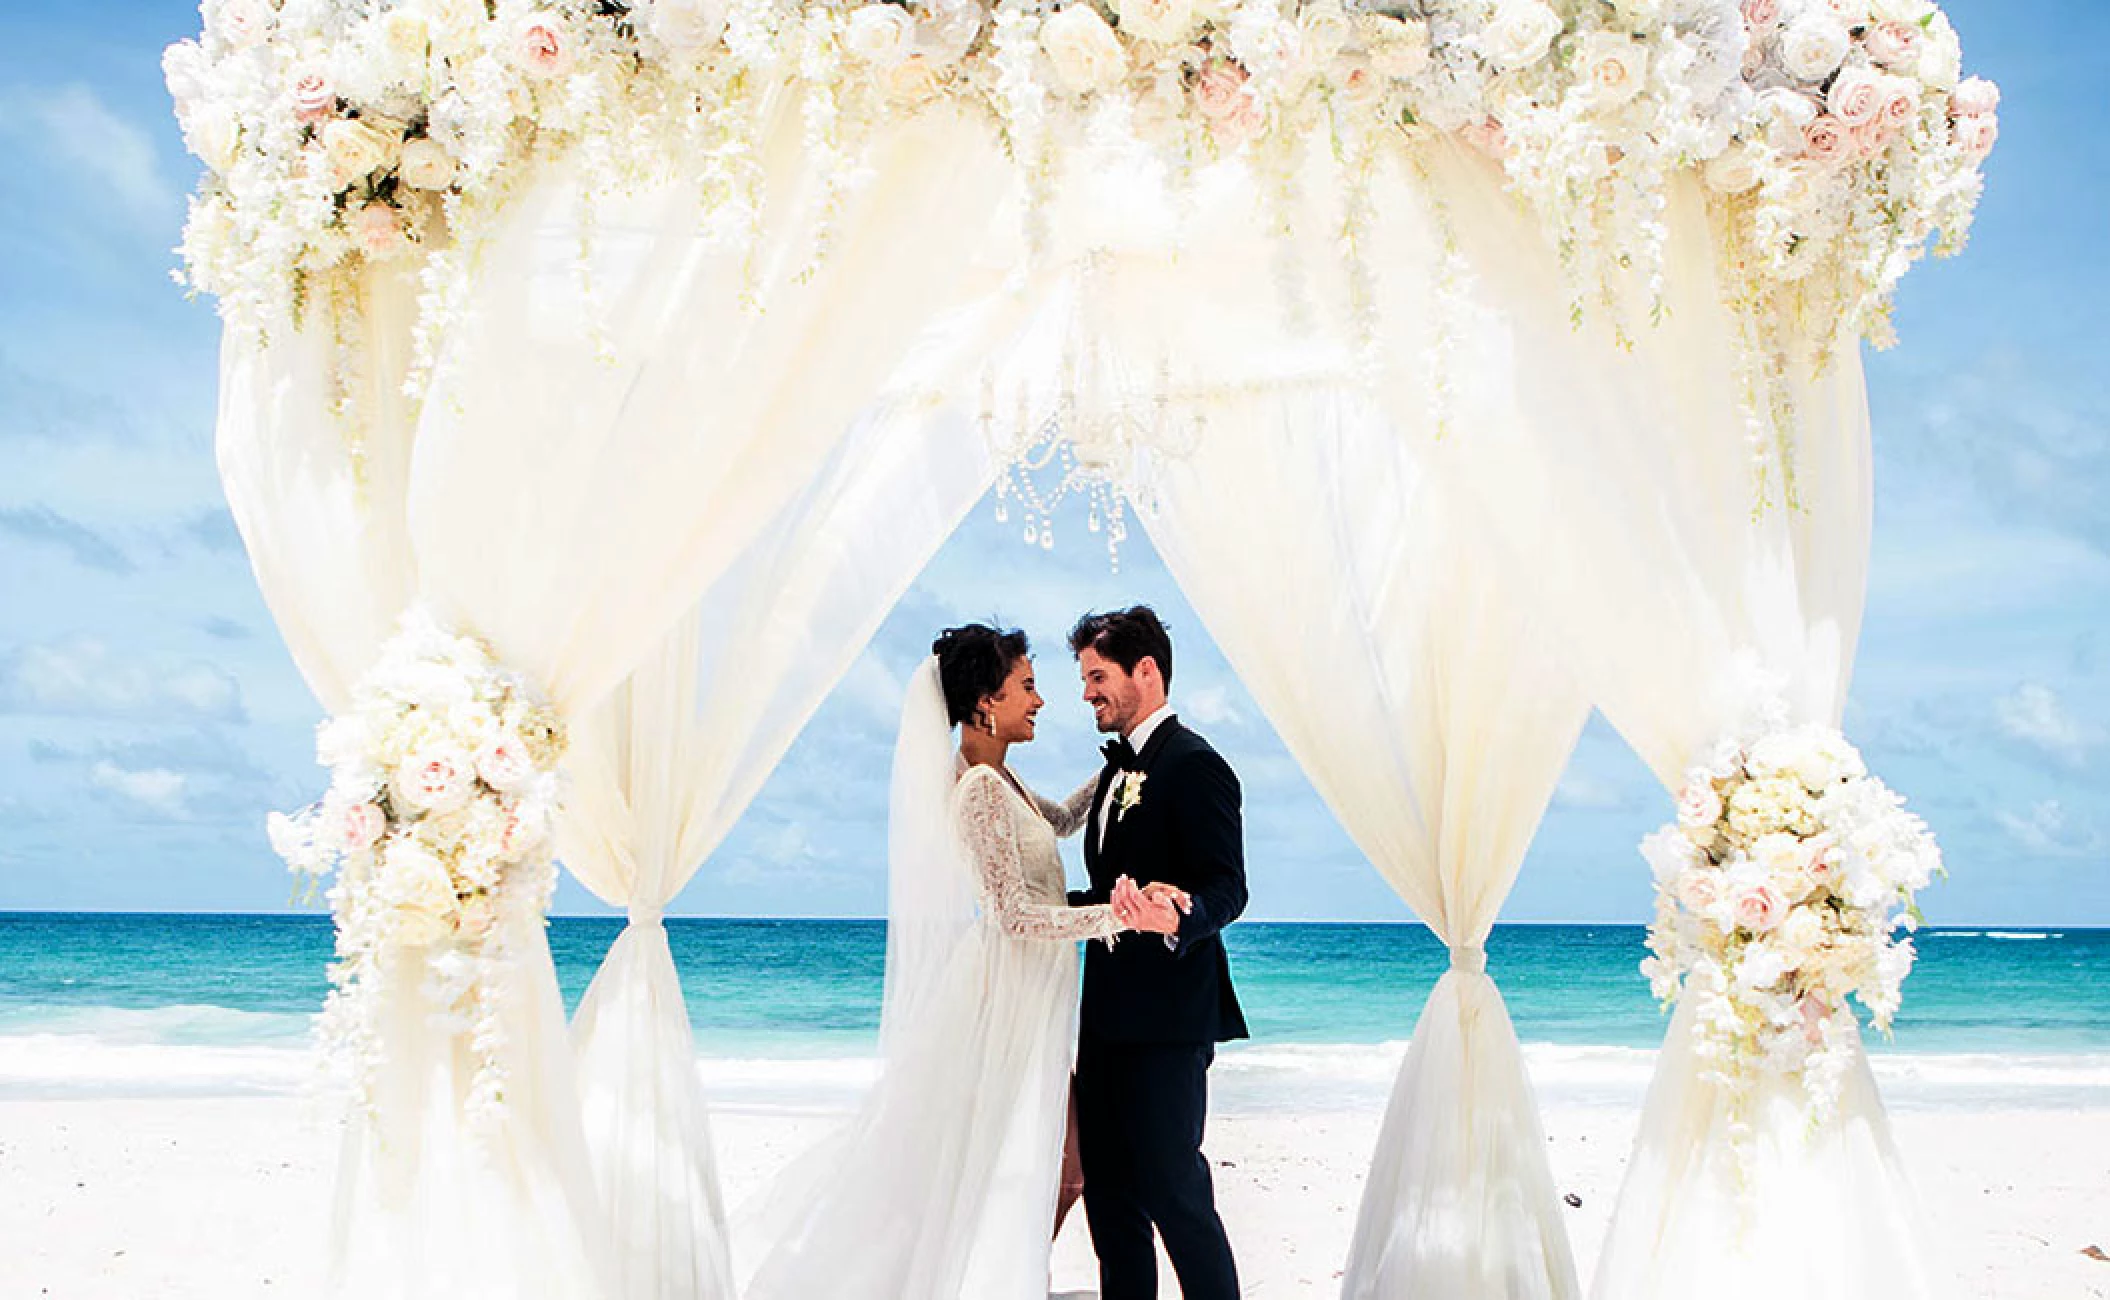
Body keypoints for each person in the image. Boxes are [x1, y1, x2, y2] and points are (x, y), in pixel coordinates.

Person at [743, 623, 1180, 1299]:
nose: (1040, 702)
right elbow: (1012, 915)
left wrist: (1125, 761)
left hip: (1033, 995)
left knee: (1060, 1167)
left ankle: (989, 1276)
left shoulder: (997, 777)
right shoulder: (976, 791)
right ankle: (974, 1278)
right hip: (1007, 997)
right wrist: (1114, 918)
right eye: (1027, 688)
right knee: (1034, 1166)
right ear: (984, 702)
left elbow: (1061, 820)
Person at [1068, 605, 1248, 1300]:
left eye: (1097, 676)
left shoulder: (1197, 765)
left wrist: (1179, 914)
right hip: (1105, 1019)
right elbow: (1107, 892)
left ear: (1147, 671)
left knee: (1175, 1190)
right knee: (1109, 1198)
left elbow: (1228, 887)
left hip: (1171, 1021)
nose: (1087, 692)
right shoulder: (1116, 771)